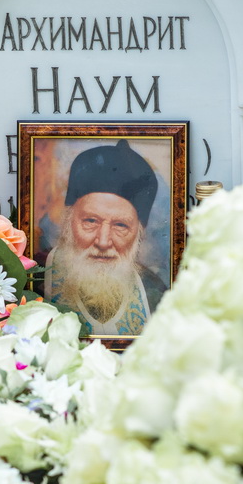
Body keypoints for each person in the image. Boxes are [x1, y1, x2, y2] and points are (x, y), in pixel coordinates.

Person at [41, 139, 168, 336]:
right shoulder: (36, 276)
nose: (102, 242)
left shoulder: (156, 292)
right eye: (91, 221)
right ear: (69, 222)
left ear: (139, 233)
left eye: (120, 225)